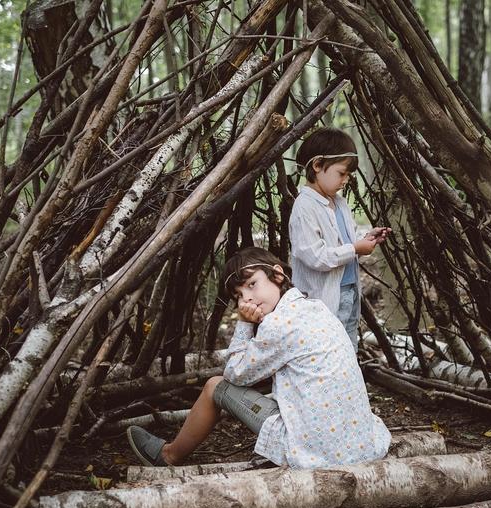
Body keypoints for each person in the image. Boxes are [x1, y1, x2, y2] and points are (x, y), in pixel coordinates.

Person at [127, 247, 391, 468]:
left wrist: (243, 323)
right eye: (239, 296)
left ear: (277, 275)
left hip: (322, 454)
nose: (247, 299)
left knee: (214, 387)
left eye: (252, 284)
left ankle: (168, 455)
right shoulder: (315, 307)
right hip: (361, 443)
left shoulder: (278, 324)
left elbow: (235, 374)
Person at [290, 127, 391, 351]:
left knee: (347, 347)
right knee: (327, 350)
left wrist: (365, 238)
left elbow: (347, 236)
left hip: (348, 290)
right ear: (317, 166)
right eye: (341, 173)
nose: (345, 180)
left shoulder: (339, 202)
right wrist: (355, 248)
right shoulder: (304, 208)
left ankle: (348, 384)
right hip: (321, 300)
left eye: (348, 175)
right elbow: (316, 257)